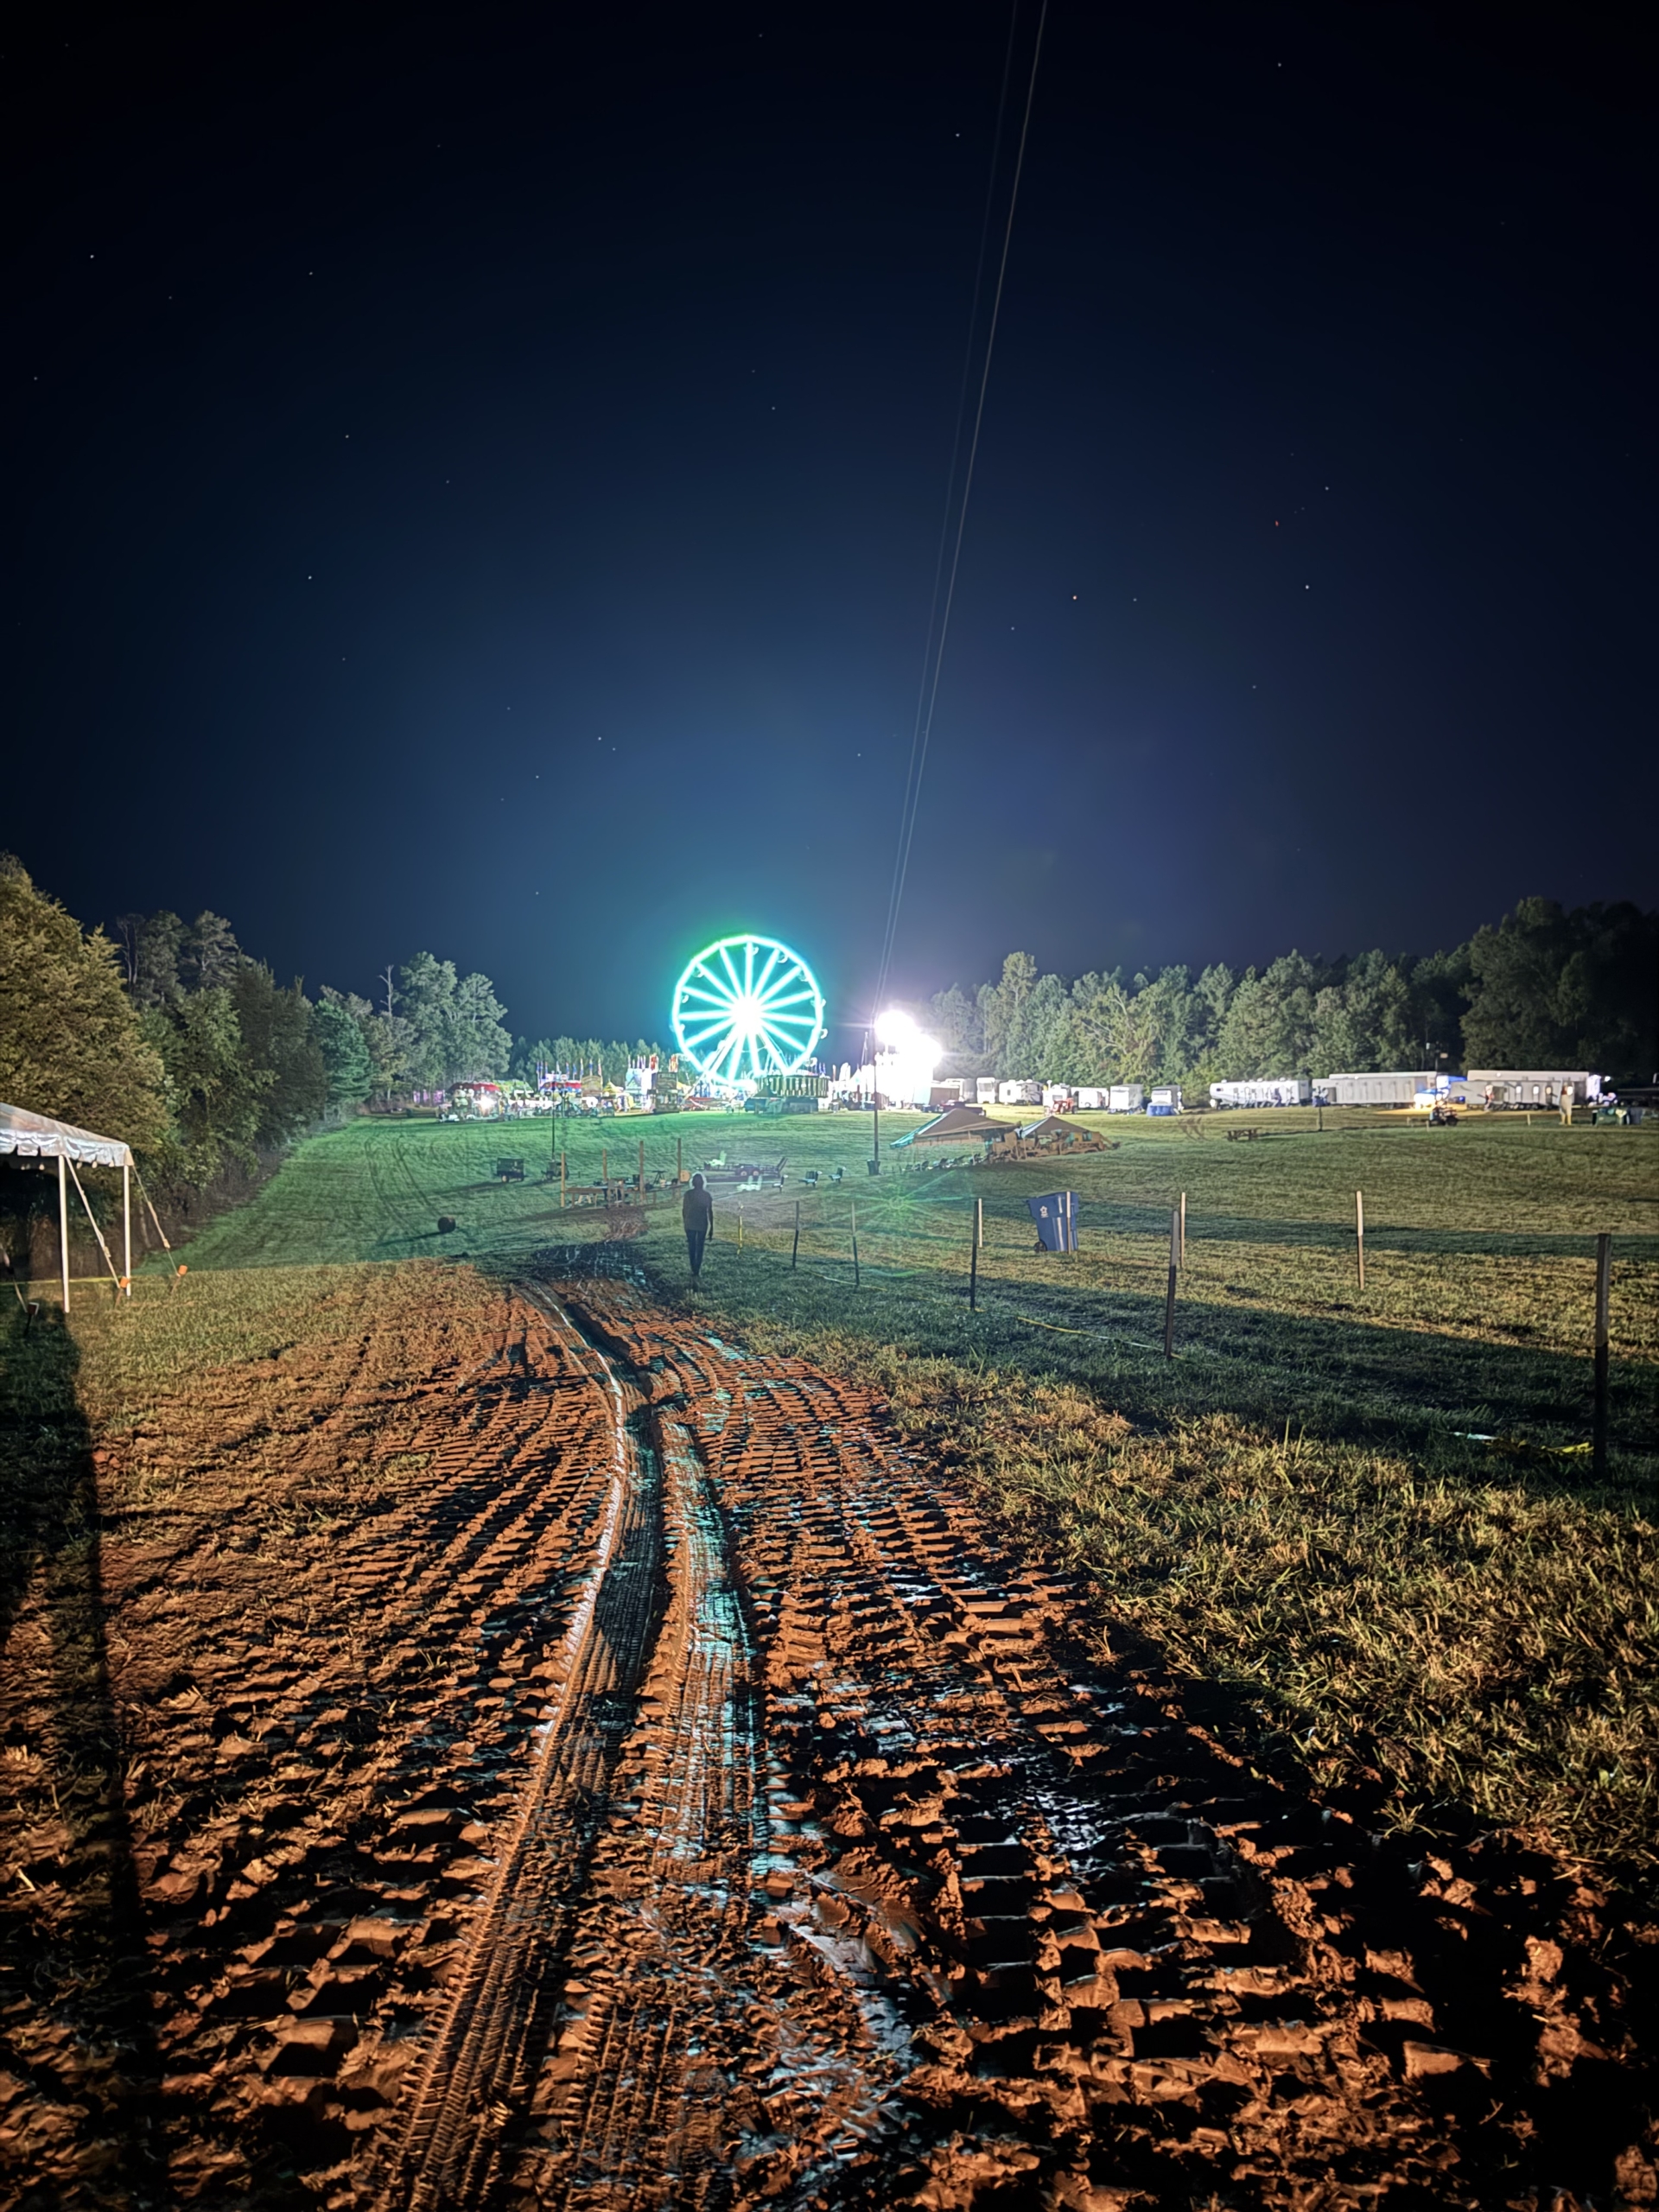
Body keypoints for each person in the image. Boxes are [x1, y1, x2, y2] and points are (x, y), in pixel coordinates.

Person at [683, 1172, 714, 1282]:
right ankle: (697, 1269)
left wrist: (685, 1223)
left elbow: (684, 1210)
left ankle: (693, 1268)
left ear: (693, 1183)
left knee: (692, 1247)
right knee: (700, 1247)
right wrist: (712, 1228)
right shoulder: (707, 1195)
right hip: (702, 1224)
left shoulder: (688, 1194)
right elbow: (709, 1212)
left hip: (690, 1223)